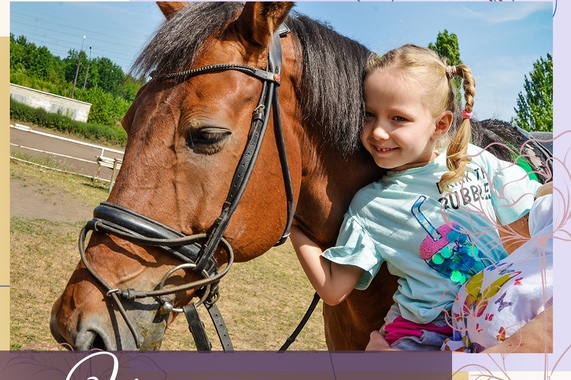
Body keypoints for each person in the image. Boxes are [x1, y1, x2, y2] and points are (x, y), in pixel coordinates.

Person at [290, 44, 551, 351]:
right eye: (369, 115)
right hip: (423, 336)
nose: (378, 132)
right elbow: (334, 290)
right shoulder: (370, 205)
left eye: (398, 118)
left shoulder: (479, 163)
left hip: (496, 319)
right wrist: (294, 225)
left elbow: (542, 214)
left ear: (440, 124)